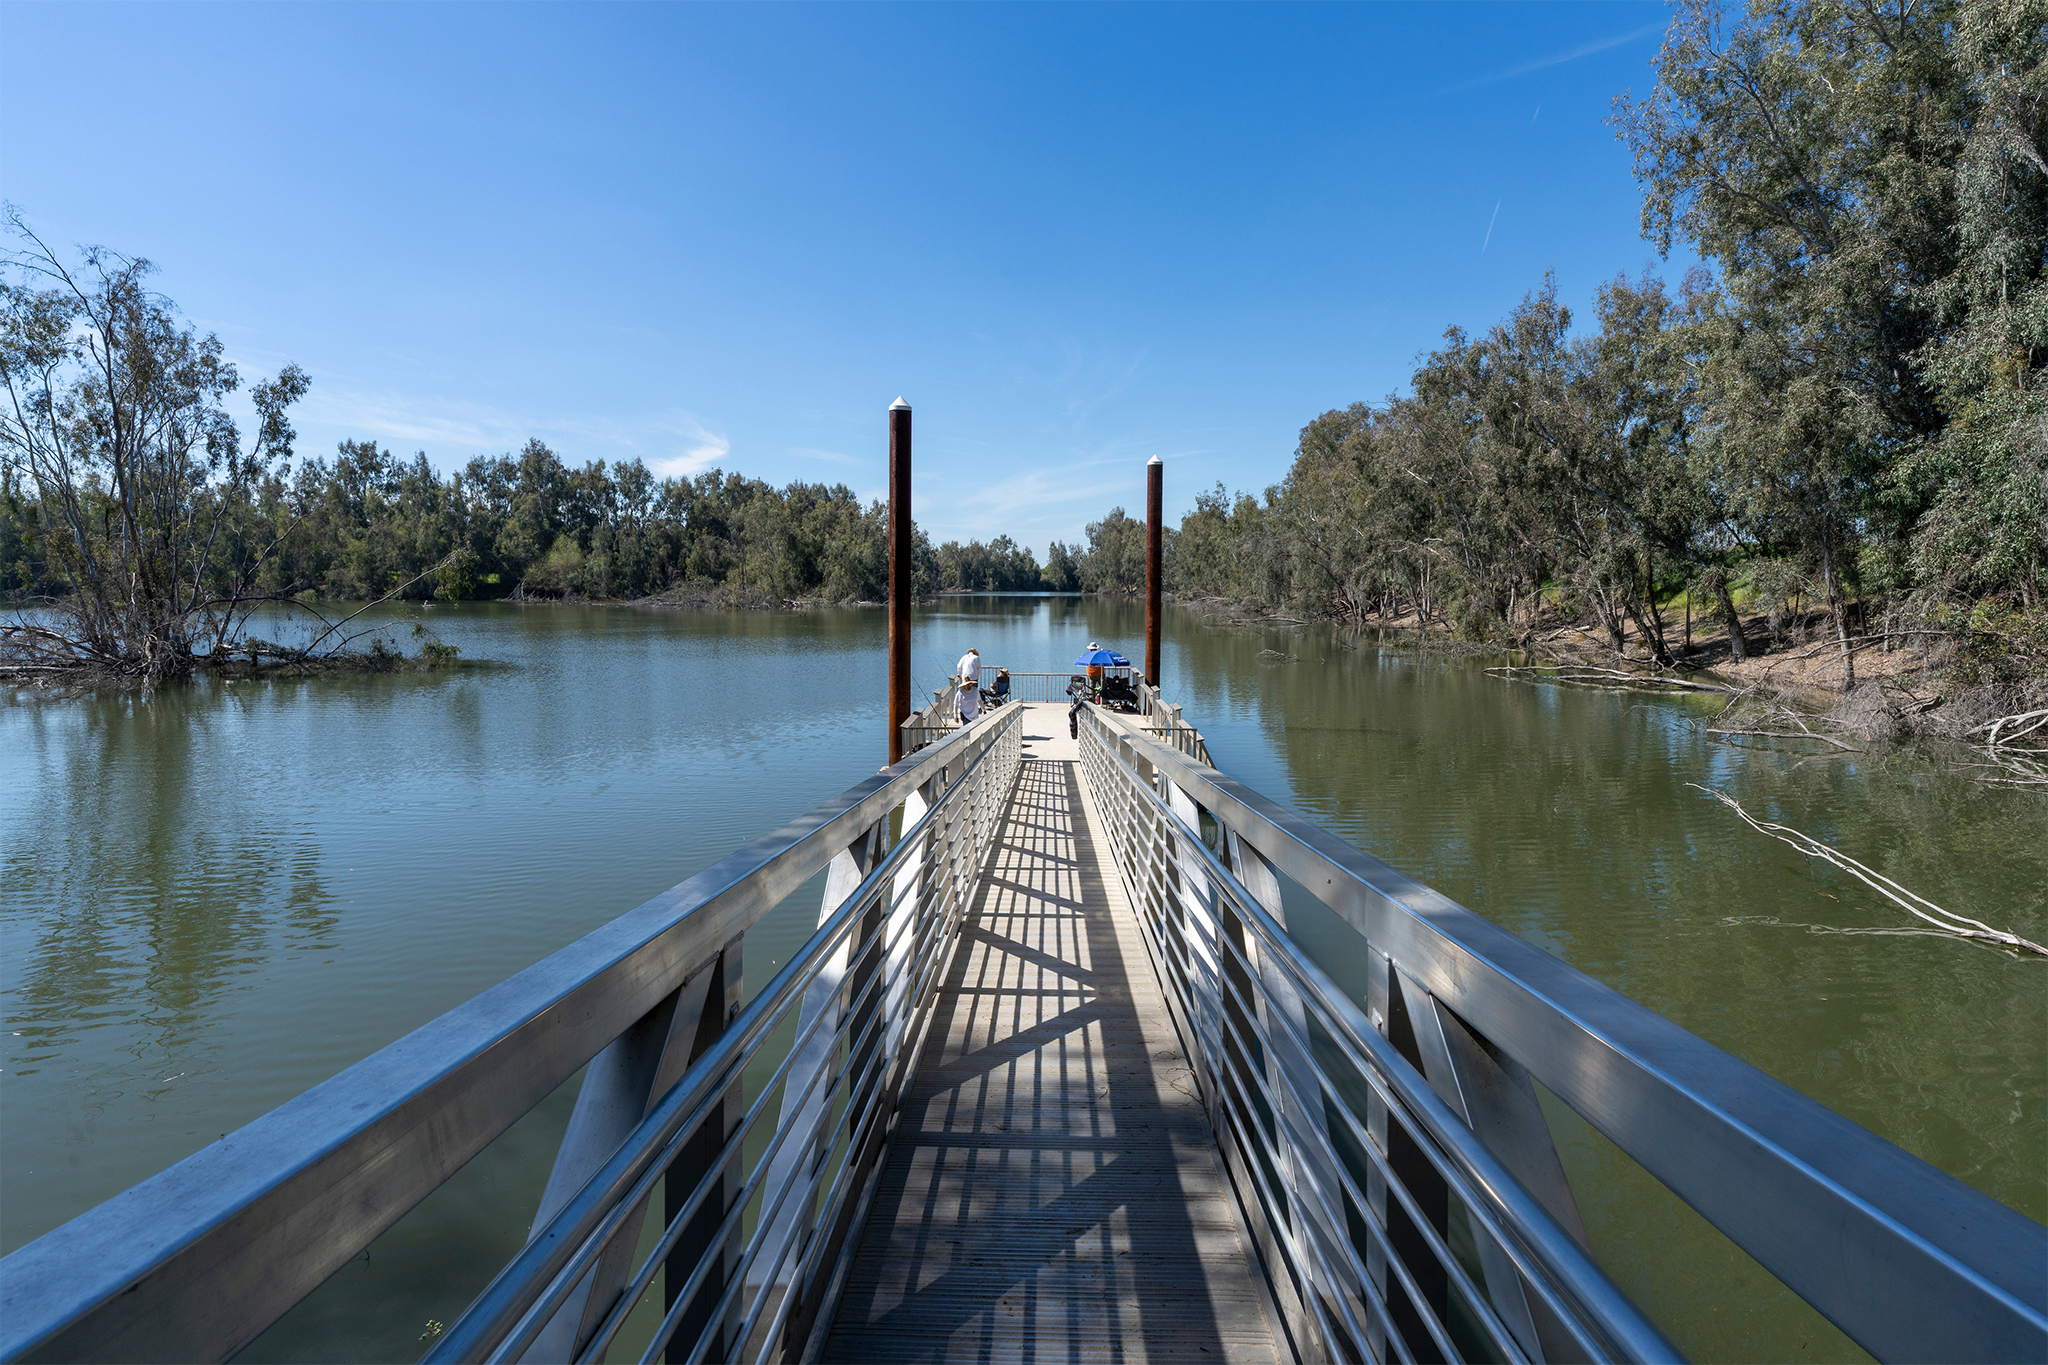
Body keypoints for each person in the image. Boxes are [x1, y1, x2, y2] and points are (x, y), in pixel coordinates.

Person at [956, 647, 981, 724]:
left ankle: (965, 712)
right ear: (975, 653)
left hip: (965, 679)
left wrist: (959, 674)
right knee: (974, 694)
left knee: (965, 693)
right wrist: (977, 676)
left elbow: (958, 666)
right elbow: (979, 669)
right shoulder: (976, 658)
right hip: (974, 678)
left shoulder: (964, 657)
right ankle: (973, 711)